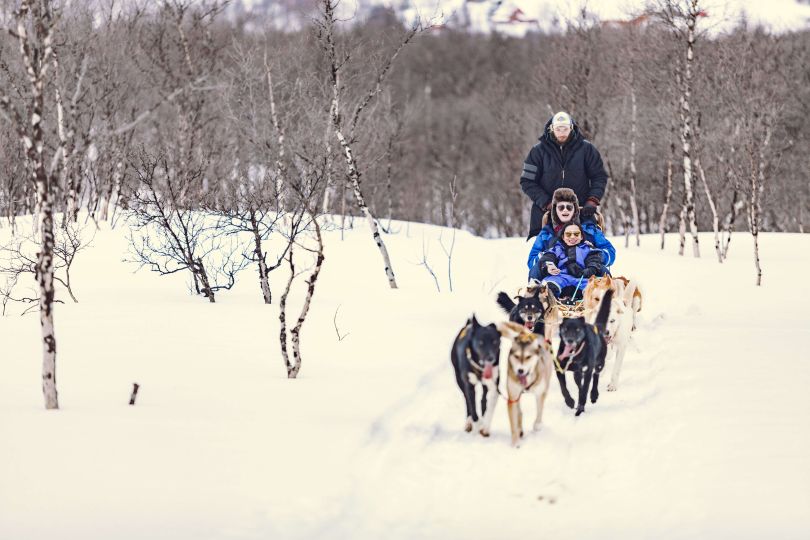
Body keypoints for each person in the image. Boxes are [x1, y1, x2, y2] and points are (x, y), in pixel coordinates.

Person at [520, 111, 609, 239]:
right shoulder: (537, 151)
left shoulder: (587, 149)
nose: (562, 132)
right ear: (552, 129)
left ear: (571, 128)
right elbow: (527, 181)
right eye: (558, 129)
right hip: (545, 215)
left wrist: (592, 200)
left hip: (582, 212)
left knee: (589, 250)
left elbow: (599, 177)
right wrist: (547, 203)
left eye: (565, 129)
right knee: (546, 254)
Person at [526, 187, 615, 272]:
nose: (565, 210)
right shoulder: (546, 233)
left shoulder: (589, 229)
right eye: (561, 207)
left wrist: (595, 254)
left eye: (569, 207)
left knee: (603, 272)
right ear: (555, 210)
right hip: (556, 275)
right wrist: (548, 257)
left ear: (575, 209)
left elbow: (610, 252)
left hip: (587, 274)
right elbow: (531, 261)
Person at [529, 221, 607, 299]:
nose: (572, 237)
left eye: (576, 234)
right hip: (560, 276)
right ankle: (550, 299)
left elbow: (593, 260)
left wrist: (589, 270)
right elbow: (548, 257)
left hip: (582, 278)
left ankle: (589, 299)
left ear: (581, 237)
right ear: (563, 237)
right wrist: (549, 265)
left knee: (592, 287)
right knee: (549, 285)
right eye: (568, 234)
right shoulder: (557, 248)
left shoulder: (588, 249)